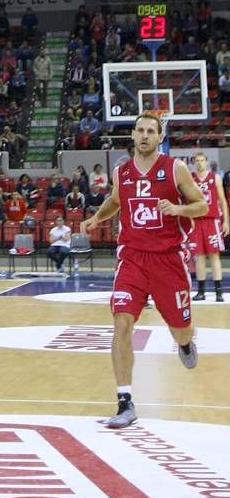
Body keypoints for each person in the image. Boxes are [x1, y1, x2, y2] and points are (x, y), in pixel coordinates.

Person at [83, 113, 208, 429]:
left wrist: (178, 208)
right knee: (122, 323)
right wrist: (97, 218)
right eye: (139, 130)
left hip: (167, 260)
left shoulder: (174, 168)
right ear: (133, 134)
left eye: (150, 131)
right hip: (132, 258)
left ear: (159, 136)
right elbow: (115, 201)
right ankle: (125, 401)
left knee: (181, 327)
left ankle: (183, 341)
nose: (144, 135)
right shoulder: (121, 172)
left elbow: (202, 206)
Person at [189, 151, 228, 301]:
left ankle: (219, 291)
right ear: (194, 163)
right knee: (199, 257)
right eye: (197, 161)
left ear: (206, 162)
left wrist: (226, 221)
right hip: (197, 221)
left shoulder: (215, 178)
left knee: (214, 255)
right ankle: (201, 291)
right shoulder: (191, 179)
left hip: (212, 221)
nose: (199, 163)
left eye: (202, 160)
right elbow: (188, 201)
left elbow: (223, 200)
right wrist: (189, 218)